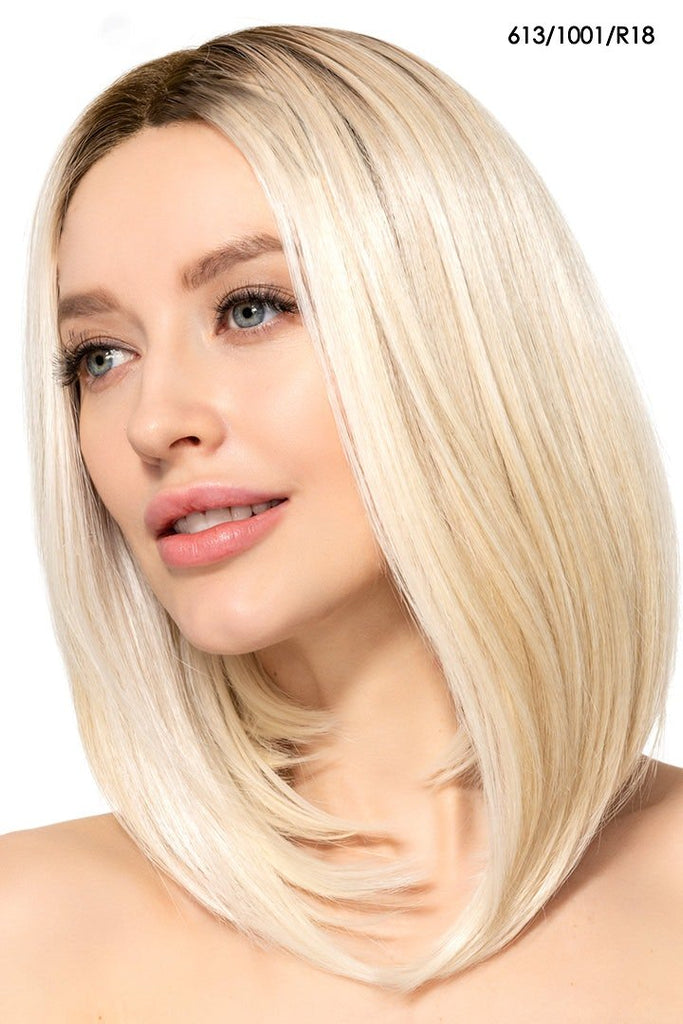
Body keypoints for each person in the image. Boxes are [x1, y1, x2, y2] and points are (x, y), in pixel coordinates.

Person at [1, 23, 681, 1020]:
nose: (152, 421)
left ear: (456, 333)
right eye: (100, 356)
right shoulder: (25, 938)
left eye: (249, 308)